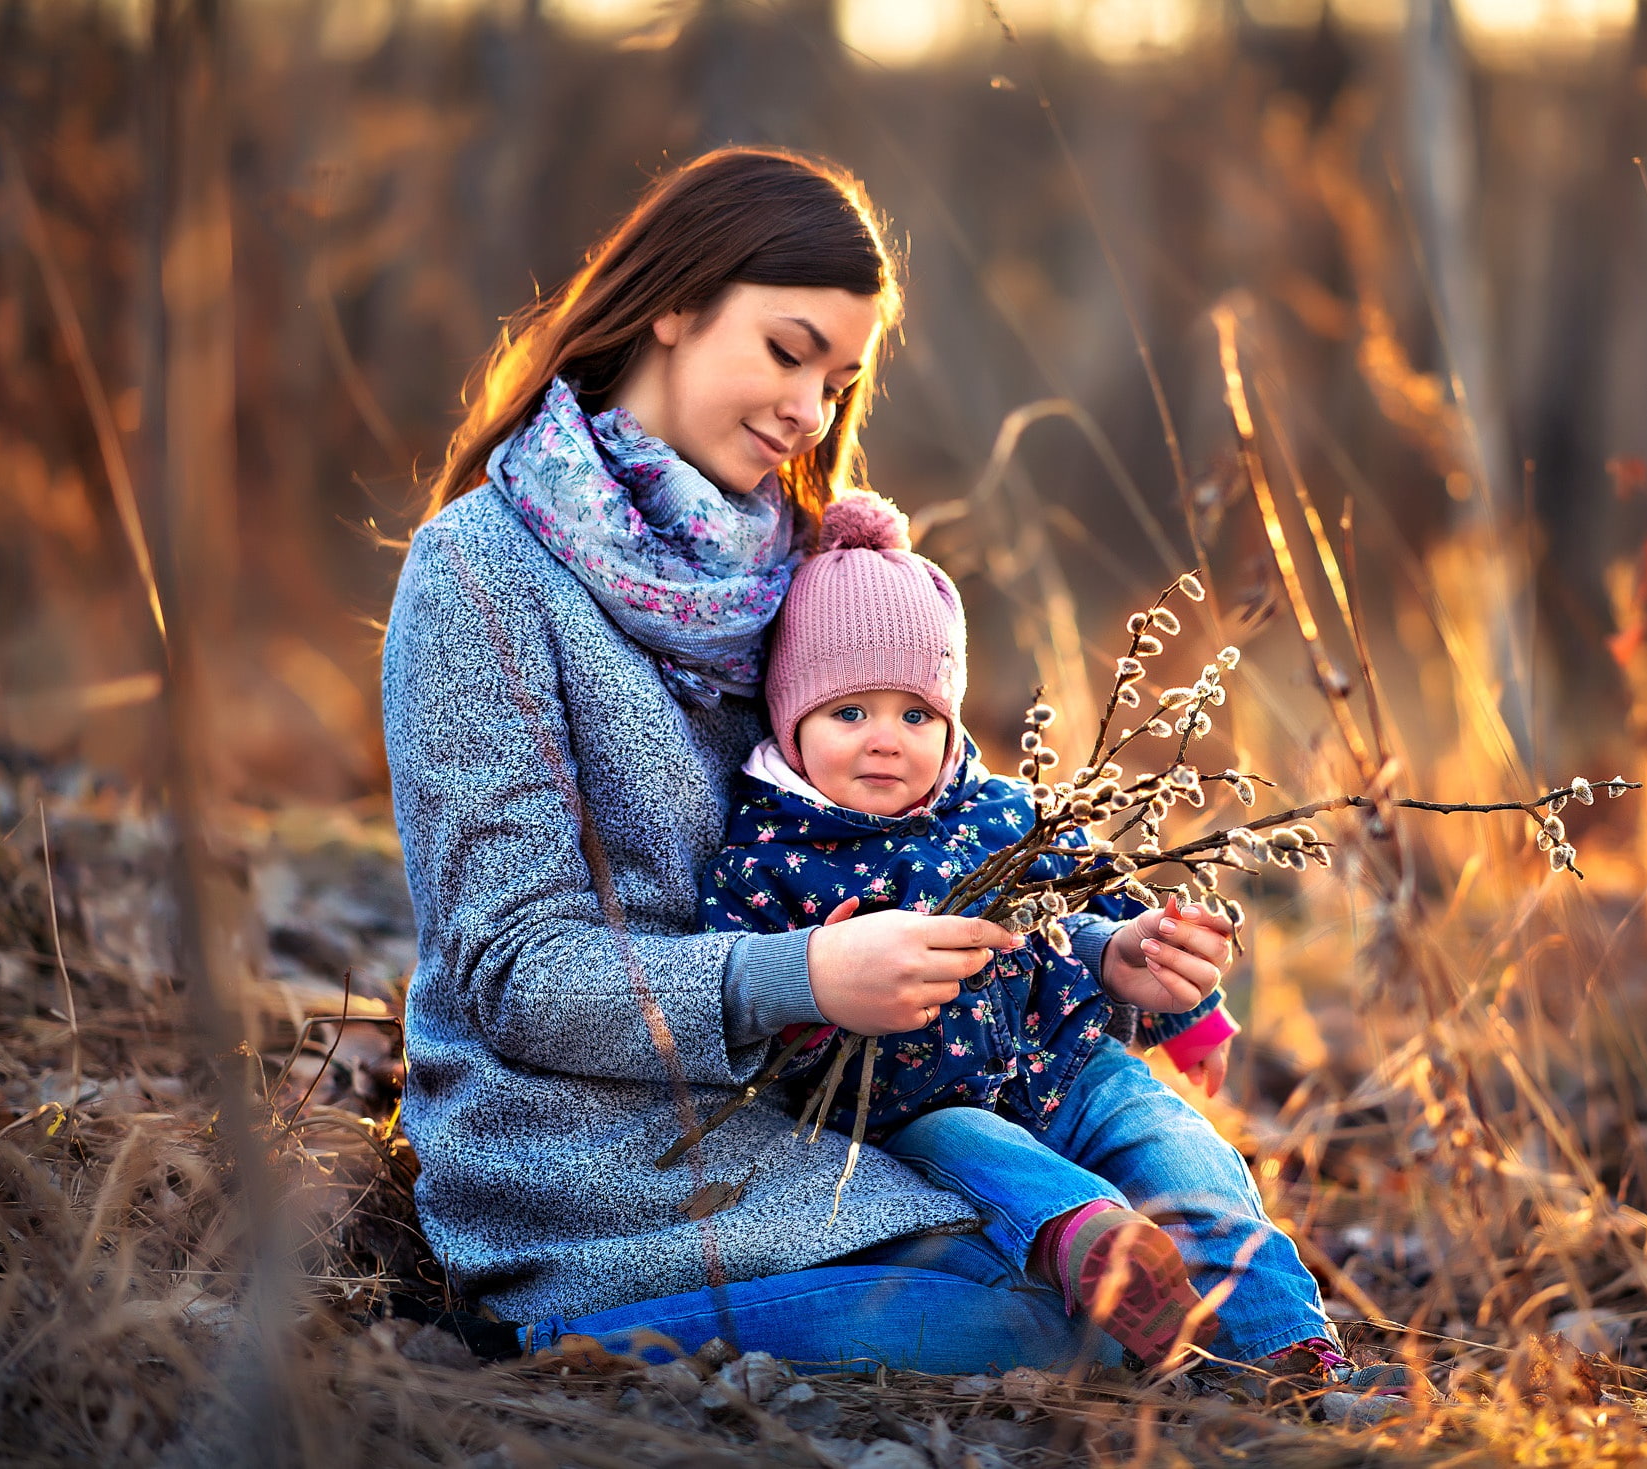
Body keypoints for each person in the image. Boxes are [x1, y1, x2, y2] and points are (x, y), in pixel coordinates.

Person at [383, 144, 1404, 1403]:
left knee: (1126, 1249)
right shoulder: (479, 573)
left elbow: (942, 847)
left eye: (838, 381)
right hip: (597, 1158)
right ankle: (565, 1335)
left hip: (845, 1114)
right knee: (1061, 1312)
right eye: (787, 351)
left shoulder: (815, 574)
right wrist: (802, 975)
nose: (809, 412)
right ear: (673, 304)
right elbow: (509, 971)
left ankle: (1286, 1359)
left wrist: (1105, 955)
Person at [695, 490, 1355, 1378]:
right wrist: (816, 992)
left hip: (1072, 1065)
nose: (886, 740)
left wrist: (1180, 1005)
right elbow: (740, 1014)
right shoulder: (765, 857)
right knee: (984, 1152)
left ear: (950, 719)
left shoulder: (1002, 813)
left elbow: (1097, 904)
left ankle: (1296, 1350)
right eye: (850, 713)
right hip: (916, 1108)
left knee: (1185, 1150)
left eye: (916, 714)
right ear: (790, 718)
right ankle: (1098, 1247)